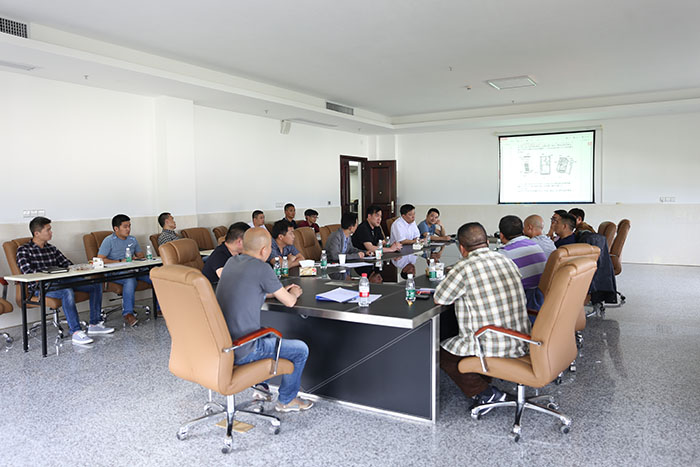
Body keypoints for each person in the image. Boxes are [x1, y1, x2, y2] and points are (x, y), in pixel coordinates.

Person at [434, 222, 530, 409]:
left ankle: (485, 393)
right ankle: (485, 379)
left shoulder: (464, 267)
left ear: (462, 248)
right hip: (522, 338)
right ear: (487, 242)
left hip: (492, 342)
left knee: (441, 353)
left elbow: (440, 298)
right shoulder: (506, 260)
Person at [216, 228, 313, 412]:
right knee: (300, 350)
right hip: (244, 348)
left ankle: (262, 388)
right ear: (264, 250)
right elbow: (290, 302)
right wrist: (293, 292)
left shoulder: (231, 262)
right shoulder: (262, 268)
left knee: (271, 336)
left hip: (223, 345)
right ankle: (287, 400)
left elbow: (250, 288)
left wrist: (274, 291)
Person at [16, 217, 113, 345]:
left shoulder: (51, 249)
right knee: (66, 291)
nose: (51, 232)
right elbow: (27, 272)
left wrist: (79, 268)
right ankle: (76, 332)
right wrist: (51, 273)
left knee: (95, 284)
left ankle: (95, 324)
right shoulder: (23, 250)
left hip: (61, 281)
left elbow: (68, 264)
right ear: (37, 233)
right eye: (48, 230)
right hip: (41, 287)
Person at [97, 214, 153, 327]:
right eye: (125, 227)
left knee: (155, 277)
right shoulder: (109, 240)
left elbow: (140, 255)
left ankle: (161, 309)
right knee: (130, 280)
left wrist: (138, 257)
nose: (128, 229)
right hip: (115, 272)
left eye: (129, 226)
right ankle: (128, 313)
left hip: (133, 269)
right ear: (116, 228)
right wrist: (119, 261)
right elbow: (100, 259)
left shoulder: (132, 239)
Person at [497, 215, 547, 312]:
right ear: (522, 231)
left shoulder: (503, 254)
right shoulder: (535, 245)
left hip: (525, 305)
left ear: (501, 235)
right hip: (541, 301)